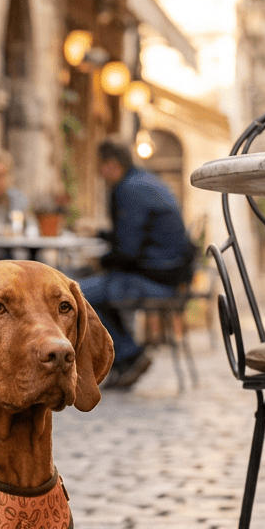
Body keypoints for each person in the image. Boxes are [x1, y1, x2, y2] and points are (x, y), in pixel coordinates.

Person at [80, 139, 197, 388]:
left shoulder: (127, 190)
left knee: (77, 295)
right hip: (169, 277)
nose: (99, 173)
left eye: (99, 166)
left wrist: (99, 260)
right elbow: (136, 237)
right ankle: (127, 355)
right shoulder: (144, 182)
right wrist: (100, 236)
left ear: (111, 165)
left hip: (156, 281)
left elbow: (127, 252)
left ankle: (128, 355)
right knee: (94, 288)